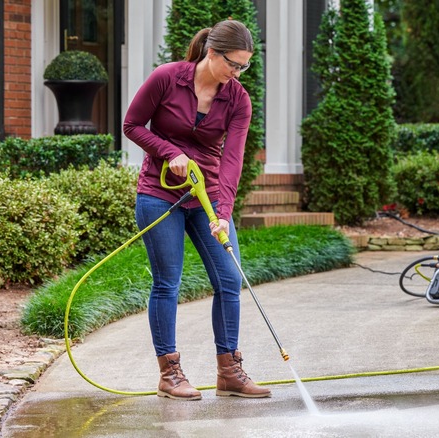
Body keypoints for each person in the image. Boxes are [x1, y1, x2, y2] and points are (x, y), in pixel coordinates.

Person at [122, 19, 270, 401]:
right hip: (159, 192)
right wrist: (171, 152)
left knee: (228, 279)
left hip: (207, 198)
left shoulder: (237, 98)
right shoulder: (168, 78)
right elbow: (132, 124)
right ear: (212, 52)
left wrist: (223, 211)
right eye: (233, 64)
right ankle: (170, 375)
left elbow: (233, 160)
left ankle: (229, 372)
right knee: (167, 282)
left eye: (244, 67)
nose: (237, 73)